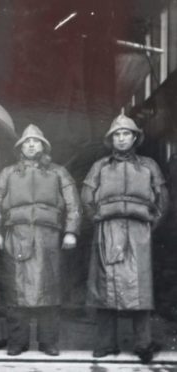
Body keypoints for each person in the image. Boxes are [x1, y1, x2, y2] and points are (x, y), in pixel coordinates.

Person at [0, 124, 81, 356]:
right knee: (16, 290)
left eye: (35, 141)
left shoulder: (59, 173)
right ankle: (17, 342)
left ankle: (48, 342)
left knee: (48, 289)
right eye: (26, 142)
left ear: (43, 146)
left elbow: (73, 204)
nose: (31, 145)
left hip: (48, 238)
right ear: (20, 147)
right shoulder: (8, 174)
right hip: (16, 236)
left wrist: (70, 231)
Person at [82, 114, 168, 363]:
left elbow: (162, 199)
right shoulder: (100, 166)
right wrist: (98, 219)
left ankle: (142, 344)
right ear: (111, 139)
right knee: (104, 287)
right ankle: (105, 344)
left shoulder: (149, 165)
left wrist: (151, 226)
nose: (121, 139)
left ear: (134, 137)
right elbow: (87, 197)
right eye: (117, 135)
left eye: (126, 134)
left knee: (139, 289)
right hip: (107, 230)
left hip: (139, 231)